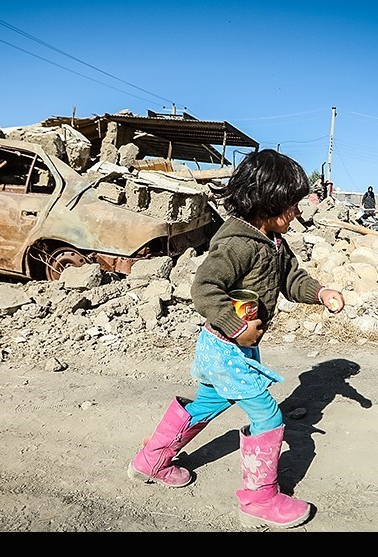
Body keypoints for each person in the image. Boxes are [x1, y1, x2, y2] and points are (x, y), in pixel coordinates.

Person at [126, 149, 345, 529]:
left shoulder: (274, 241)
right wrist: (237, 327)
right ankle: (259, 500)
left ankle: (151, 461)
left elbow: (291, 278)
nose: (297, 212)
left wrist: (320, 292)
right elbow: (204, 288)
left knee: (207, 403)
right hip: (226, 347)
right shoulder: (236, 243)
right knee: (268, 415)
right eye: (291, 205)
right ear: (268, 202)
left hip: (236, 348)